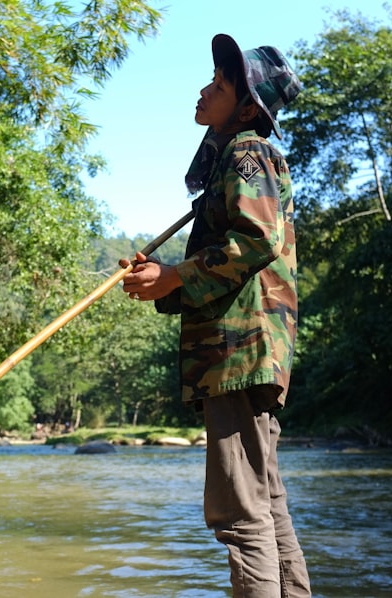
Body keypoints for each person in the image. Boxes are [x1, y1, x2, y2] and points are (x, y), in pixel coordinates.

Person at [120, 34, 311, 597]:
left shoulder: (249, 153)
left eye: (220, 85)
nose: (205, 89)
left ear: (248, 107)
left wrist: (175, 275)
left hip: (240, 356)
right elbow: (239, 261)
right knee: (266, 506)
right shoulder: (238, 156)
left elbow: (258, 241)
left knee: (240, 516)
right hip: (248, 356)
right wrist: (163, 282)